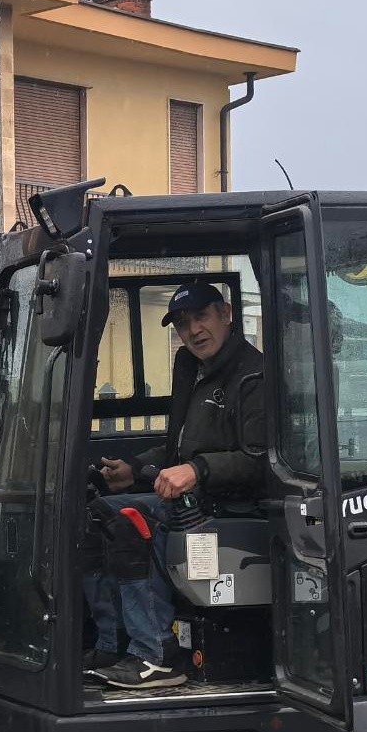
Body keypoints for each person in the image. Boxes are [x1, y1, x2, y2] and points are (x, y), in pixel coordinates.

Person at [88, 280, 268, 689]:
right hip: (197, 495)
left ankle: (156, 654)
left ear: (226, 315)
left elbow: (260, 461)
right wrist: (134, 469)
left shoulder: (253, 376)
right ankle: (112, 643)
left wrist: (197, 471)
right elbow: (179, 448)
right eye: (183, 324)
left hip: (233, 506)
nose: (193, 330)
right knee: (96, 513)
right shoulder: (192, 369)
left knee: (130, 521)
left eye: (201, 317)